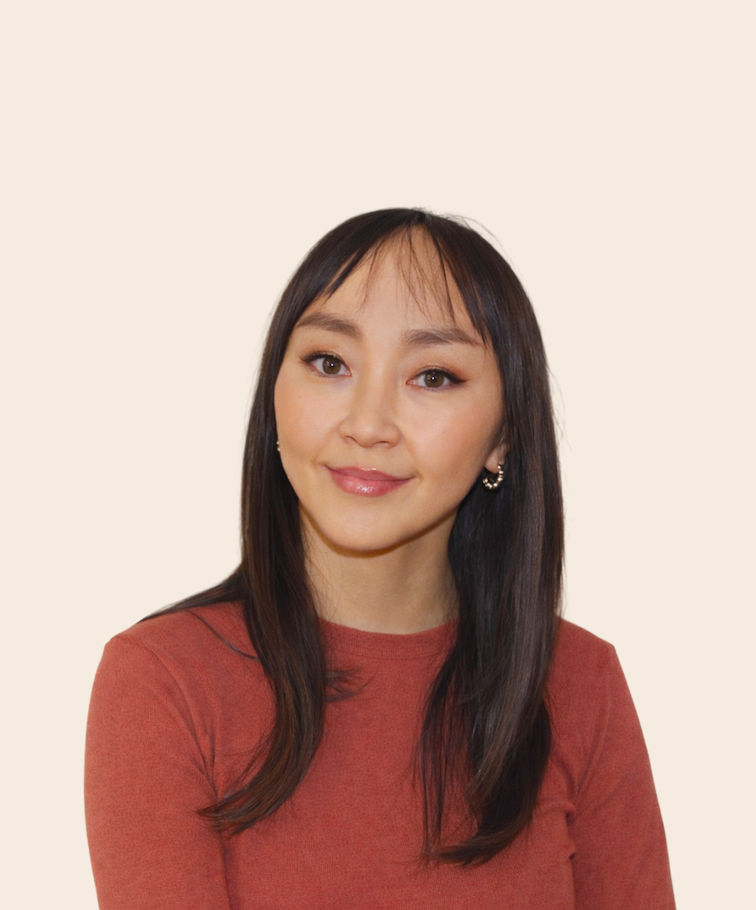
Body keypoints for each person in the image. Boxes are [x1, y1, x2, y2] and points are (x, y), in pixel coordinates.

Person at [84, 208, 675, 909]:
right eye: (329, 363)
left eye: (433, 377)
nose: (367, 424)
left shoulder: (580, 685)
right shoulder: (167, 680)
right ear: (275, 397)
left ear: (504, 437)